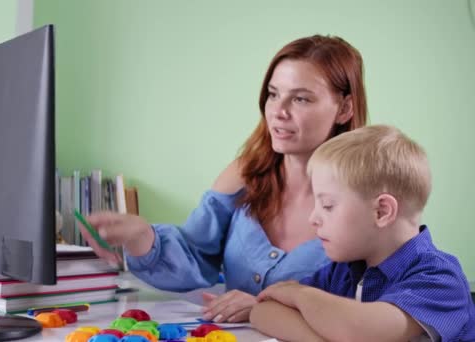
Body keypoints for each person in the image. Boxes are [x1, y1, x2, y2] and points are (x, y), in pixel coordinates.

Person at [80, 35, 368, 323]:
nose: (279, 112)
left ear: (345, 109)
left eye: (301, 98)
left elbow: (371, 317)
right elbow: (195, 255)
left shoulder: (370, 204)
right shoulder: (246, 172)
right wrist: (140, 235)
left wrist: (263, 309)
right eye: (273, 94)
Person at [250, 125, 475, 341]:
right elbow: (263, 311)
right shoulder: (343, 271)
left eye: (327, 205)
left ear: (382, 211)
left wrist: (299, 295)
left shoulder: (440, 279)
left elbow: (362, 331)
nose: (313, 218)